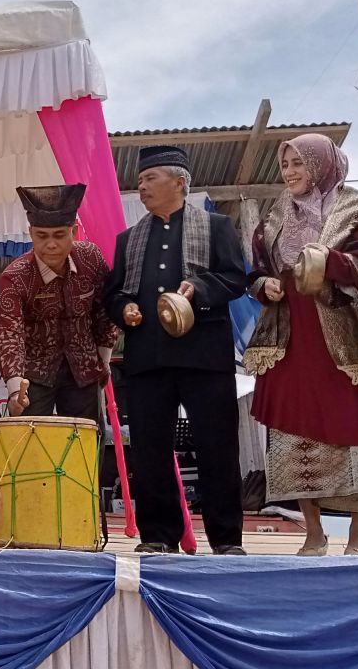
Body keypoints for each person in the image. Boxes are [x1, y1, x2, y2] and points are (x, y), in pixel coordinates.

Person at [244, 133, 358, 556]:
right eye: (286, 165)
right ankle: (312, 531)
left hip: (339, 330)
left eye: (299, 163)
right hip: (288, 332)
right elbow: (256, 269)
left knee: (350, 424)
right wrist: (264, 285)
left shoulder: (354, 207)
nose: (291, 173)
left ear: (321, 165)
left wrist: (327, 261)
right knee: (291, 427)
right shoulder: (275, 214)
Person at [103, 145, 248, 555]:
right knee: (150, 449)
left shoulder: (217, 226)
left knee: (217, 446)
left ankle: (226, 539)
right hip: (148, 359)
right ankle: (158, 536)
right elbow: (112, 294)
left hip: (205, 357)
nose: (142, 186)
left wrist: (199, 289)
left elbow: (235, 277)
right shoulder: (128, 239)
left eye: (150, 179)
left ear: (179, 182)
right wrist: (125, 308)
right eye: (141, 179)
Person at [0, 184, 119, 421]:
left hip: (84, 369)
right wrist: (14, 390)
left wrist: (103, 361)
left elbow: (104, 312)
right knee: (28, 445)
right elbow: (10, 334)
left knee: (85, 446)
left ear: (74, 232)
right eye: (42, 236)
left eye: (59, 235)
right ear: (31, 233)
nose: (51, 244)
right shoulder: (15, 277)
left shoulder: (90, 258)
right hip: (33, 375)